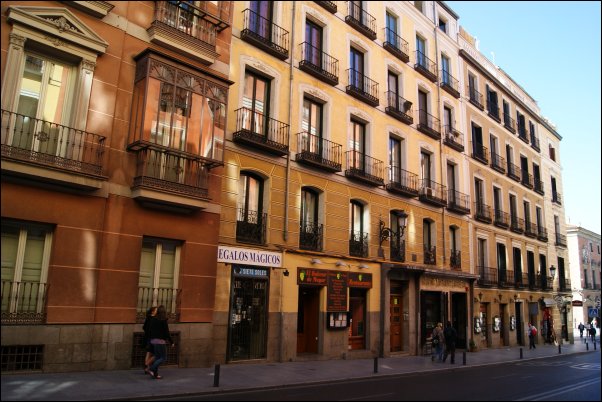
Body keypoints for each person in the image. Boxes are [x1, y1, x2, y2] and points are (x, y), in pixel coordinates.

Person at [147, 305, 174, 379]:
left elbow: (150, 330)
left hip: (153, 341)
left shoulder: (153, 319)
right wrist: (171, 342)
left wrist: (150, 340)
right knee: (163, 358)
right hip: (160, 342)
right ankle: (151, 368)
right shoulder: (163, 320)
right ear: (164, 312)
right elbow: (167, 332)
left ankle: (155, 374)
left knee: (157, 357)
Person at [142, 306, 157, 374]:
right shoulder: (154, 319)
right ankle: (147, 366)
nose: (157, 311)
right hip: (152, 337)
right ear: (153, 311)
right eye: (156, 310)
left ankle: (146, 367)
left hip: (147, 337)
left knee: (148, 352)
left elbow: (144, 327)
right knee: (154, 353)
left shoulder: (148, 318)